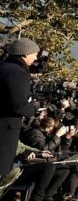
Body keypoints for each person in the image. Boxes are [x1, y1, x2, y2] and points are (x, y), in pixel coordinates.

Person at [0, 38, 40, 177]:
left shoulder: (3, 67)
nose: (36, 57)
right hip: (5, 132)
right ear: (25, 54)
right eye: (34, 53)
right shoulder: (18, 73)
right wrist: (34, 108)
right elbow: (19, 106)